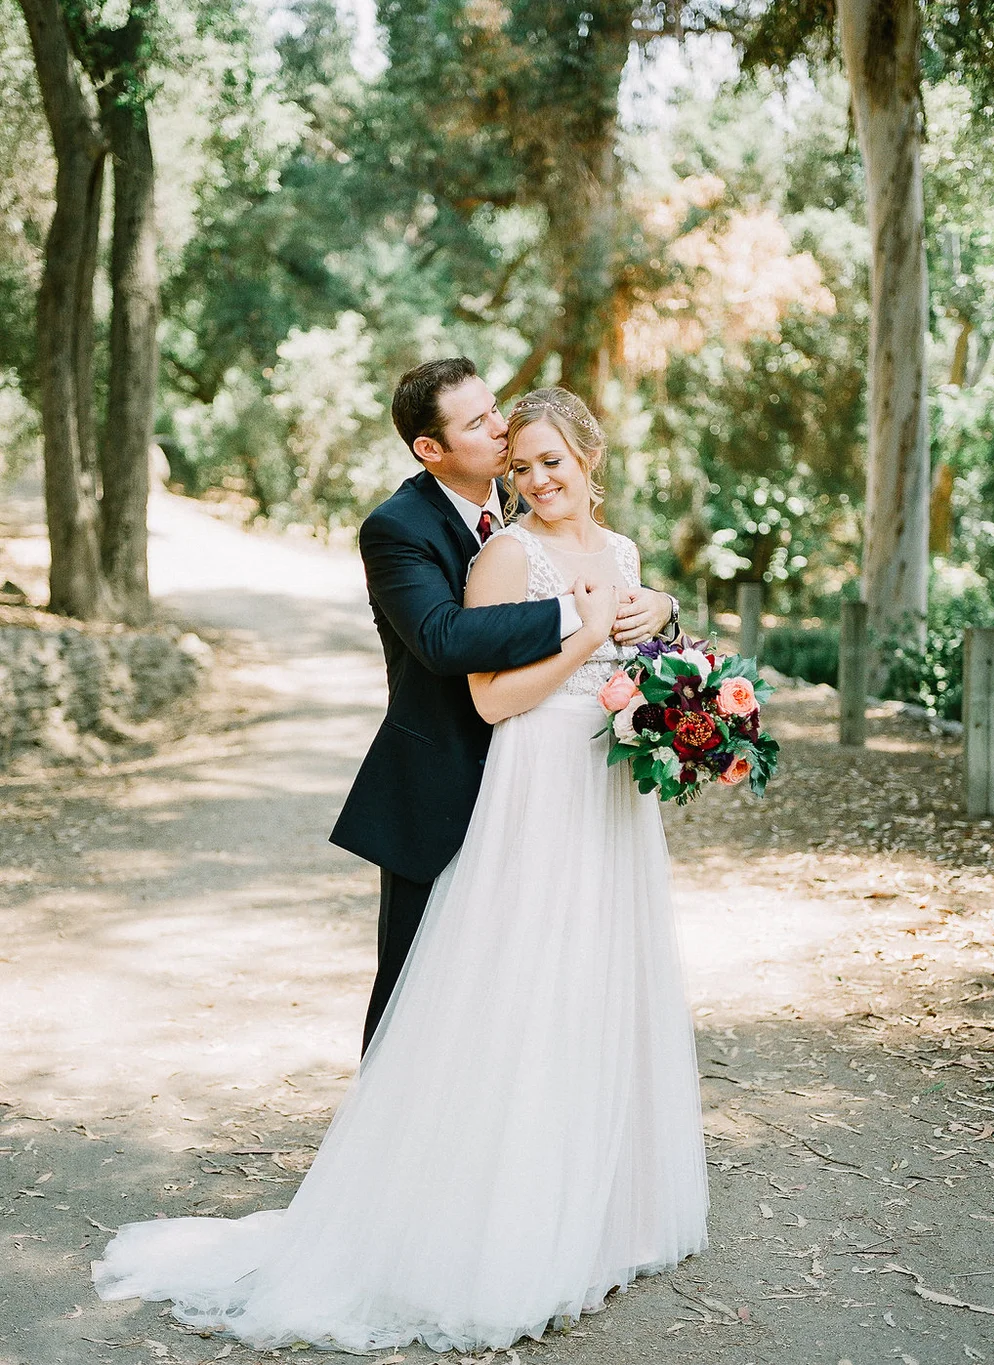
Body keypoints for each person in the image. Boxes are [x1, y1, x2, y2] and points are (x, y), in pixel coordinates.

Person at [91, 385, 708, 1354]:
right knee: (489, 995)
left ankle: (590, 1208)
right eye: (521, 463)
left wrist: (657, 651)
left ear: (592, 455)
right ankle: (454, 1211)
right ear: (446, 452)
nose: (535, 474)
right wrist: (586, 635)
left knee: (590, 987)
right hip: (527, 789)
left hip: (605, 798)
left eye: (551, 458)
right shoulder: (493, 549)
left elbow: (647, 651)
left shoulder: (623, 554)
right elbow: (488, 692)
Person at [329, 357, 677, 1050]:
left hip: (553, 788)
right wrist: (581, 617)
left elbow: (599, 565)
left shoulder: (521, 504)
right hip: (445, 784)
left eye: (494, 409)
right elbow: (441, 636)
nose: (500, 426)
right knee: (416, 990)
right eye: (477, 421)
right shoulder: (397, 527)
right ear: (430, 449)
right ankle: (395, 1143)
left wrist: (661, 606)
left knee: (536, 983)